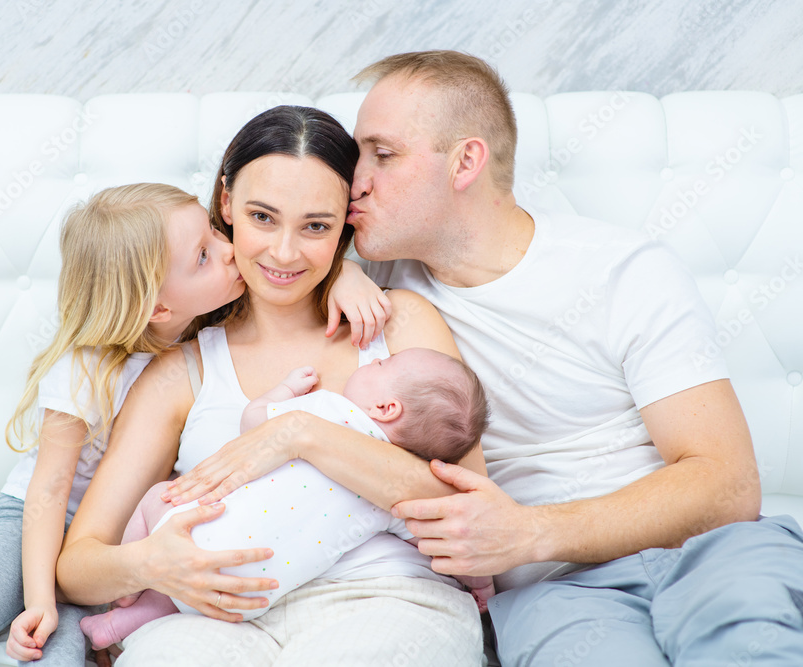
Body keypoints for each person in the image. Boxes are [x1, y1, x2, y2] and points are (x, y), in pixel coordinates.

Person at [337, 50, 803, 665]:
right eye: (356, 156)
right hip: (556, 593)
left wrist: (530, 532)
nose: (355, 180)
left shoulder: (620, 269)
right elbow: (230, 255)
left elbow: (728, 482)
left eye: (383, 154)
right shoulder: (373, 290)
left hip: (708, 550)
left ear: (465, 161)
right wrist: (331, 272)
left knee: (750, 648)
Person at [0, 183, 385, 667]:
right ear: (157, 308)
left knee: (70, 650)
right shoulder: (86, 369)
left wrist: (348, 274)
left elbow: (292, 279)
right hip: (35, 529)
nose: (230, 249)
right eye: (204, 254)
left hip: (119, 542)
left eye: (215, 233)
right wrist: (39, 599)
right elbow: (48, 491)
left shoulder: (203, 334)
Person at [57, 105, 486, 667]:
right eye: (262, 217)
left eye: (315, 226)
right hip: (215, 612)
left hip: (383, 598)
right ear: (227, 202)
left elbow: (473, 514)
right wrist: (150, 564)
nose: (285, 253)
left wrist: (301, 435)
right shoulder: (182, 373)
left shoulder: (397, 324)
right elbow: (76, 567)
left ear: (344, 226)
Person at [79, 349, 493, 650]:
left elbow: (254, 421)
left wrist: (284, 392)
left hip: (193, 553)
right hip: (249, 598)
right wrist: (482, 583)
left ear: (385, 407)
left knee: (158, 496)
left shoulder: (331, 410)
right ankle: (125, 618)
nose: (371, 362)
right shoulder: (391, 497)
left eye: (381, 364)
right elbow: (445, 529)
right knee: (190, 606)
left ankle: (129, 599)